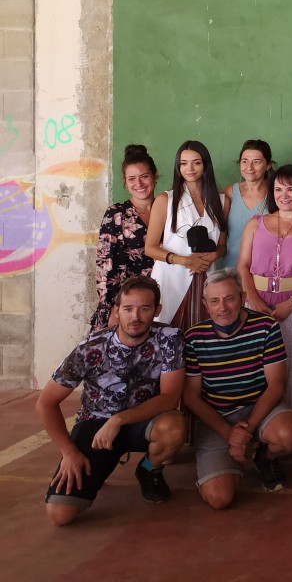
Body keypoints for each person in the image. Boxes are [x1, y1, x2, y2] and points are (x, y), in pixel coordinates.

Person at [38, 276, 188, 526]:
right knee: (60, 515)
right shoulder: (91, 347)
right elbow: (46, 402)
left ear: (157, 310)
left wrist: (119, 419)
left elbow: (170, 397)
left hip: (142, 421)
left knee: (174, 426)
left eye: (145, 308)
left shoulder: (170, 338)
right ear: (116, 311)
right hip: (96, 425)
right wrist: (69, 452)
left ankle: (149, 468)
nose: (135, 317)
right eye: (128, 309)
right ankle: (99, 463)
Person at [182, 269, 292, 507]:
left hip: (259, 410)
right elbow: (191, 396)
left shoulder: (266, 326)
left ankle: (264, 456)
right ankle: (232, 456)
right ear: (205, 304)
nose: (223, 307)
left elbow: (277, 386)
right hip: (217, 419)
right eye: (215, 301)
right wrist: (229, 434)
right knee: (219, 499)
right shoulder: (194, 337)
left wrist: (244, 433)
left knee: (288, 434)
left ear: (242, 296)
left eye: (230, 298)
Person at [239, 164, 292, 430]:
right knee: (255, 363)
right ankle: (251, 424)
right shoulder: (256, 223)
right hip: (256, 302)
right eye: (278, 189)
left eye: (291, 189)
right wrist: (252, 298)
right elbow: (243, 265)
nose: (284, 195)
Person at [145, 139, 228, 327]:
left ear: (205, 165)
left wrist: (214, 255)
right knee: (167, 330)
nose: (189, 168)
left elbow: (222, 245)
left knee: (205, 334)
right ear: (178, 166)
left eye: (196, 162)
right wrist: (186, 261)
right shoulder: (165, 199)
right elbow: (150, 248)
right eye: (183, 163)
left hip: (207, 276)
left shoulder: (221, 201)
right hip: (172, 276)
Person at [93, 144, 159, 332]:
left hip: (165, 301)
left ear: (155, 175)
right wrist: (114, 309)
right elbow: (105, 265)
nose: (138, 183)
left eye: (144, 176)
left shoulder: (170, 210)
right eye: (132, 179)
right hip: (127, 307)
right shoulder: (116, 214)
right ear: (125, 181)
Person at [219, 139, 273, 270]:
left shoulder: (276, 193)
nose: (249, 168)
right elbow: (220, 233)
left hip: (264, 270)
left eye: (257, 162)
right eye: (244, 161)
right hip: (231, 268)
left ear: (268, 165)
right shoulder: (230, 192)